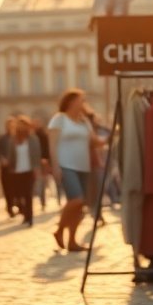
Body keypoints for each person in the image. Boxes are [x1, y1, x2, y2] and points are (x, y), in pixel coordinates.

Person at [48, 89, 97, 252]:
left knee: (79, 206)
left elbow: (94, 141)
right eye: (81, 100)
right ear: (71, 102)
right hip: (66, 164)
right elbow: (52, 144)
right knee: (76, 199)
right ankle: (60, 229)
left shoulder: (84, 121)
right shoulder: (59, 119)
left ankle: (72, 241)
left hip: (83, 166)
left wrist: (113, 135)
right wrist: (55, 166)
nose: (84, 104)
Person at [0, 116, 42, 227]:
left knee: (28, 194)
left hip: (29, 170)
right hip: (16, 171)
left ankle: (29, 218)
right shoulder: (13, 139)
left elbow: (37, 154)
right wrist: (8, 165)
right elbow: (10, 155)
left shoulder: (33, 139)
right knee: (19, 195)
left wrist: (37, 168)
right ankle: (24, 213)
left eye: (24, 125)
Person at [0, 118, 17, 217]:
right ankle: (9, 207)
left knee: (16, 188)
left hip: (16, 167)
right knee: (7, 188)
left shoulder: (17, 138)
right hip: (5, 168)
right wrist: (2, 159)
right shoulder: (2, 139)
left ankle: (17, 205)